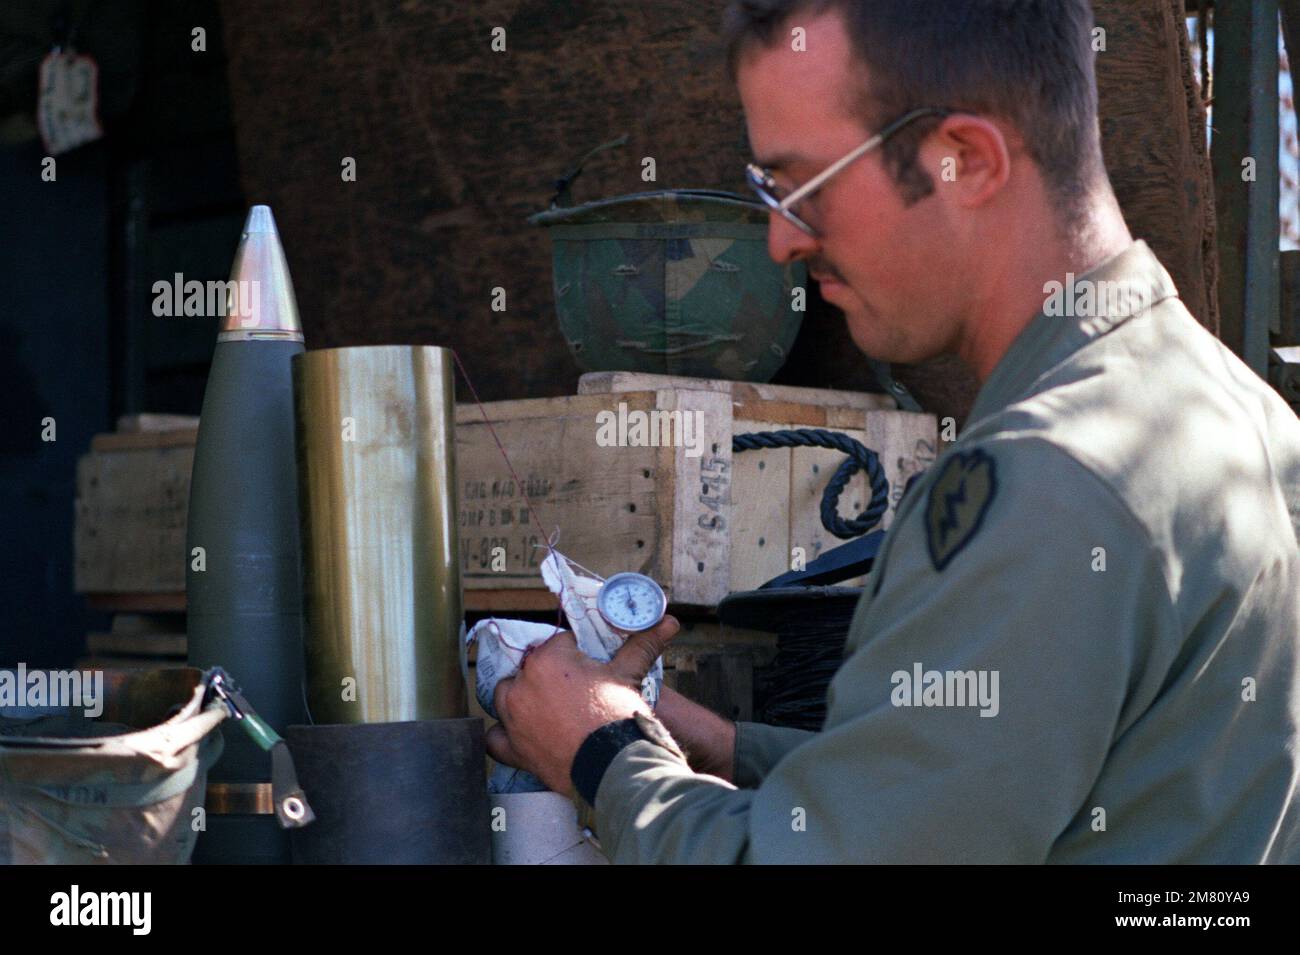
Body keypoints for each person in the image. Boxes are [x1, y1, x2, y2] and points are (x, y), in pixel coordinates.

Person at [486, 0, 1300, 863]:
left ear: (966, 160)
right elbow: (1006, 790)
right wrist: (723, 745)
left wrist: (606, 757)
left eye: (804, 188)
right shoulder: (1246, 419)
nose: (779, 240)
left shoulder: (1041, 479)